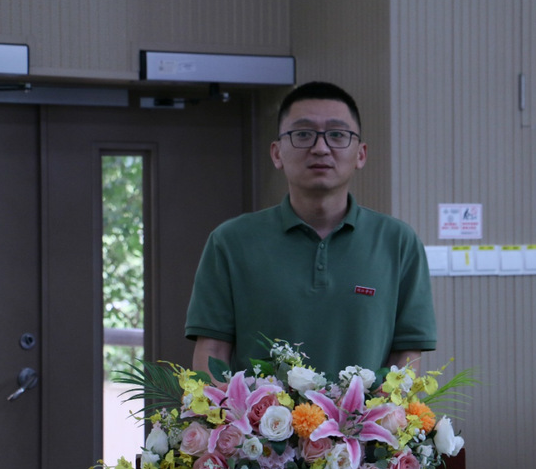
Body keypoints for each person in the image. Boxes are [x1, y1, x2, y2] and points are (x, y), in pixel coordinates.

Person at [185, 81, 436, 377]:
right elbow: (213, 352)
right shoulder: (230, 241)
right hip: (258, 410)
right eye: (303, 134)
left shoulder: (398, 242)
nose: (320, 148)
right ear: (277, 153)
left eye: (337, 135)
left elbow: (408, 353)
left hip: (366, 410)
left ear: (361, 154)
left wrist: (381, 407)